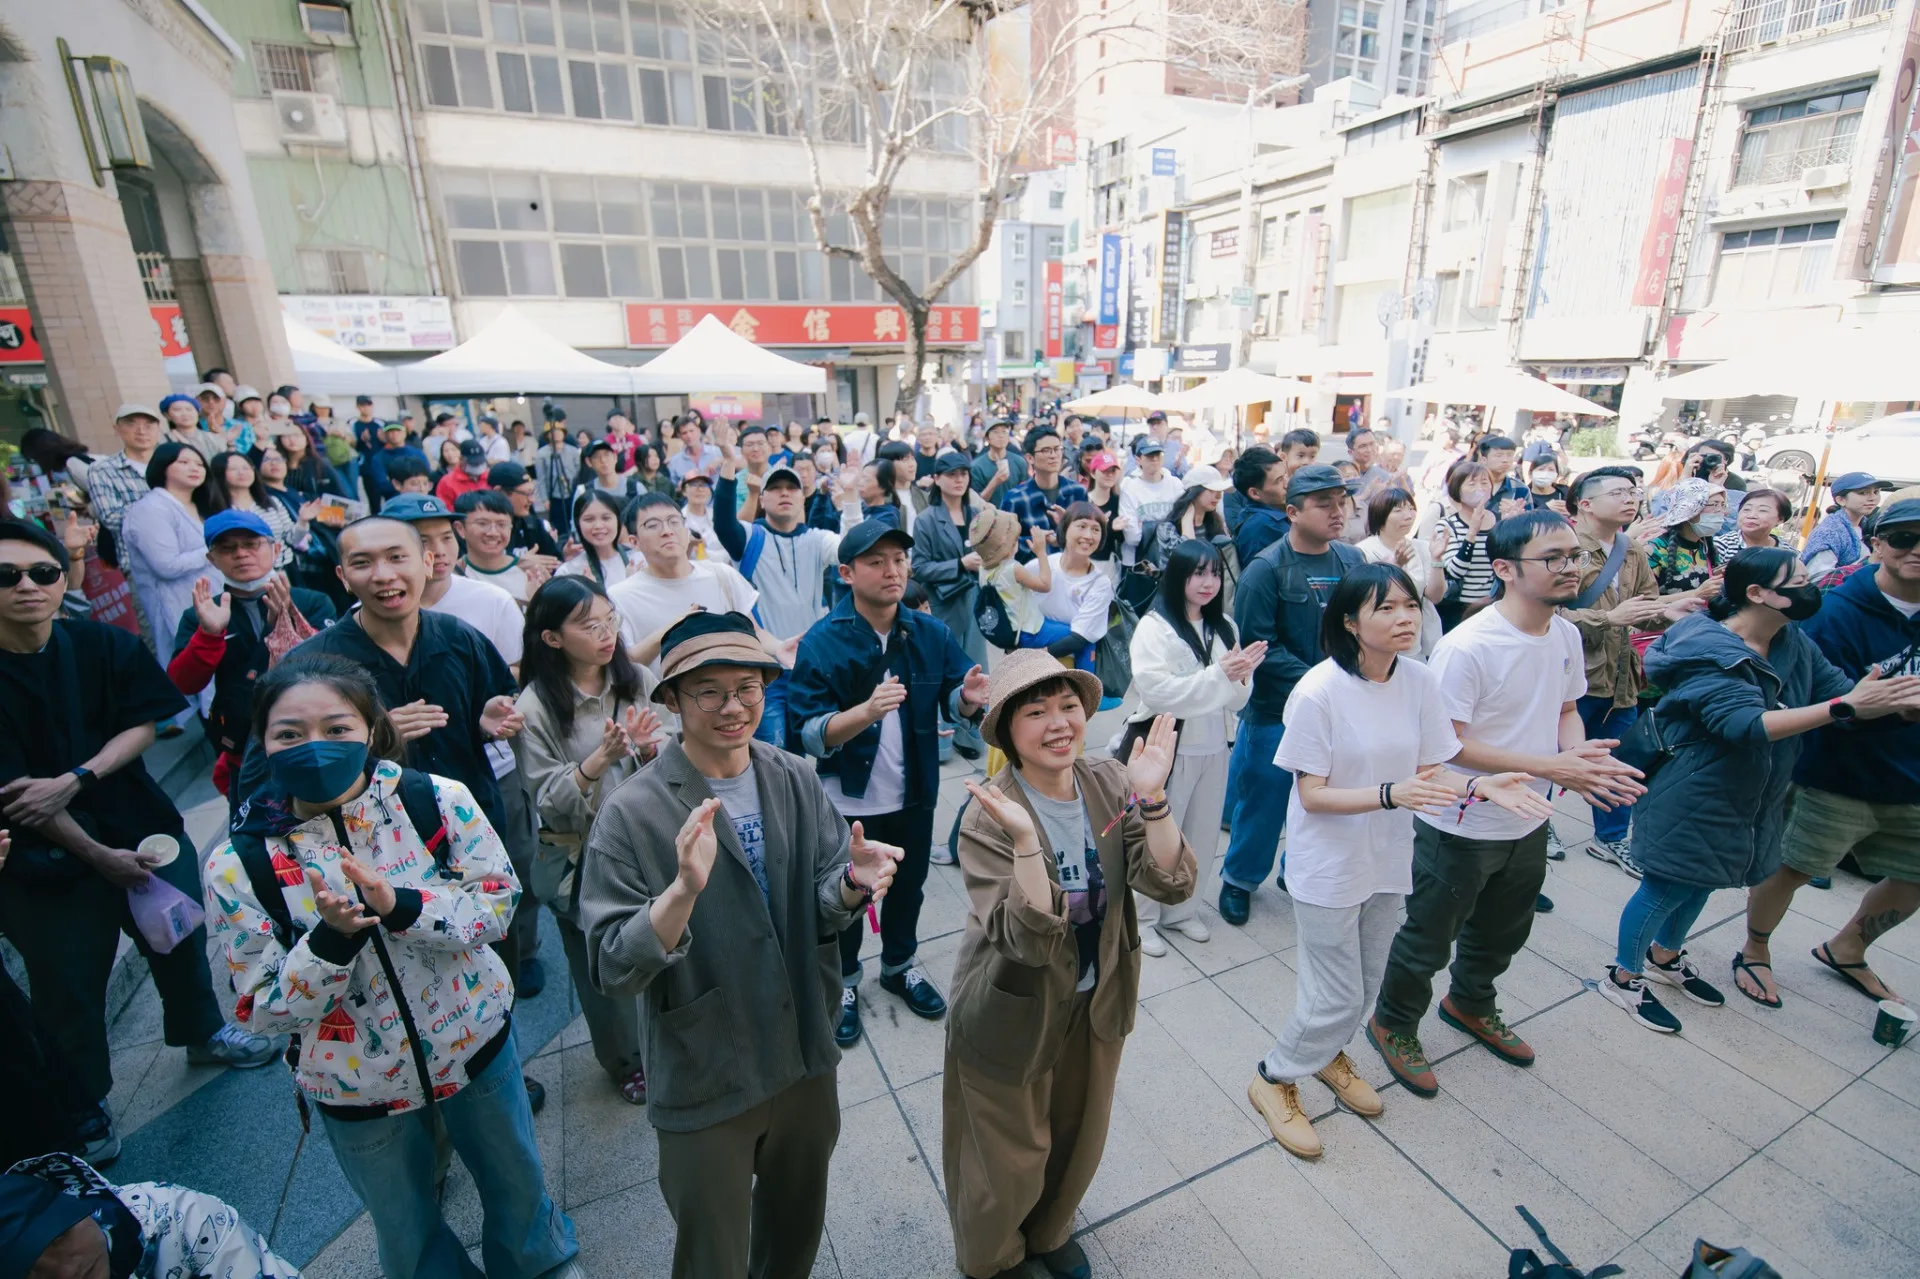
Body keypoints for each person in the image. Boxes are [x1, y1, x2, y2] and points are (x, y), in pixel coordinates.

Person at [204, 656, 581, 1279]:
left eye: (336, 728)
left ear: (373, 729)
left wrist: (402, 905)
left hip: (475, 1042)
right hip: (354, 1084)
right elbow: (260, 1007)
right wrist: (329, 942)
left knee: (517, 1181)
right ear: (262, 742)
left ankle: (539, 1267)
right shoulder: (238, 864)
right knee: (403, 1221)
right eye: (289, 734)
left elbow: (497, 907)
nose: (315, 748)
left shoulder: (433, 800)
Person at [581, 611, 900, 1279]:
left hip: (802, 1050)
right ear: (670, 698)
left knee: (794, 1228)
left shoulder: (790, 776)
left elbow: (820, 900)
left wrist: (849, 885)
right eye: (709, 690)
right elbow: (611, 963)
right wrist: (678, 895)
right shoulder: (631, 811)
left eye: (748, 687)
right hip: (705, 1065)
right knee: (713, 1253)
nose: (733, 706)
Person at [1250, 565, 1551, 1159]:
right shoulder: (1318, 691)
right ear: (1349, 622)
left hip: (1386, 857)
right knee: (1332, 992)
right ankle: (1274, 1075)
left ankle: (1327, 1054)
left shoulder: (1416, 679)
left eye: (1408, 605)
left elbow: (1433, 768)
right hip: (1329, 865)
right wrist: (1393, 793)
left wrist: (1478, 789)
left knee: (1364, 983)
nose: (1404, 617)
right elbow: (1312, 795)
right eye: (1384, 608)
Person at [0, 522, 275, 1164]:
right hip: (42, 859)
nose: (27, 587)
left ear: (61, 578)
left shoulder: (98, 643)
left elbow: (147, 722)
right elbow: (19, 798)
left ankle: (204, 1032)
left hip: (141, 824)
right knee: (67, 980)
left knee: (180, 939)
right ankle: (85, 1100)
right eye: (6, 576)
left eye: (42, 572)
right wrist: (95, 855)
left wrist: (78, 776)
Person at [1368, 512, 1646, 1096]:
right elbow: (1444, 747)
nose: (1571, 567)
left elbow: (1567, 713)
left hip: (1528, 817)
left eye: (1574, 556)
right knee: (1429, 935)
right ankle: (1393, 1022)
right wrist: (1551, 767)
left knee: (1504, 930)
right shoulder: (1470, 646)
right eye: (1553, 558)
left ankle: (1470, 1003)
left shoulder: (1566, 634)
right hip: (1459, 820)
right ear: (1504, 569)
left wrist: (1584, 764)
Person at [943, 654, 1195, 1279]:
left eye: (1067, 707)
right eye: (1035, 712)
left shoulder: (1107, 781)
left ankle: (1050, 1230)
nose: (1058, 724)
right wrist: (1028, 840)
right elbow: (1022, 941)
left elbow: (1169, 881)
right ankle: (995, 1258)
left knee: (1079, 1130)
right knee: (1006, 1152)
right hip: (1012, 1004)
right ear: (1006, 731)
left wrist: (1154, 797)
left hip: (1096, 991)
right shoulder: (987, 813)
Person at [1598, 549, 1920, 1033]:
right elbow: (1745, 724)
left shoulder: (1790, 639)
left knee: (1702, 881)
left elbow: (1835, 688)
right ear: (1757, 593)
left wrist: (1887, 703)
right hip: (1695, 790)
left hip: (1751, 794)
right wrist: (1844, 708)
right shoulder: (1712, 650)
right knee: (1666, 886)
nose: (1813, 591)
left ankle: (1665, 957)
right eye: (1800, 582)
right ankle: (1623, 976)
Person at [787, 519, 990, 1046]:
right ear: (847, 573)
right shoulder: (823, 641)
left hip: (914, 790)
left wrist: (967, 696)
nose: (892, 570)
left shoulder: (929, 632)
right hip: (847, 798)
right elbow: (807, 734)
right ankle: (846, 980)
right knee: (849, 893)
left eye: (899, 559)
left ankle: (899, 965)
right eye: (876, 562)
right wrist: (865, 713)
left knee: (909, 887)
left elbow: (954, 695)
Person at [1736, 499, 1920, 1008]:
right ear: (1877, 544)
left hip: (1912, 774)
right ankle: (1754, 947)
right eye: (1905, 538)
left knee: (1914, 874)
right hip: (1835, 770)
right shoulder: (1835, 611)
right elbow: (1812, 694)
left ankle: (1849, 946)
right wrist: (1883, 706)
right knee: (1794, 865)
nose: (1917, 550)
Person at [514, 576, 661, 1104]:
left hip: (647, 839)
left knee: (665, 940)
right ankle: (623, 1059)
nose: (605, 633)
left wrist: (645, 750)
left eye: (609, 619)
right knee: (602, 967)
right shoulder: (533, 707)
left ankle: (671, 1037)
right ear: (552, 638)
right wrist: (598, 760)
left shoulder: (636, 679)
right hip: (581, 857)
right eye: (587, 624)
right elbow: (546, 799)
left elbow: (672, 761)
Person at [1217, 465, 1367, 926]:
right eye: (1324, 504)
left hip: (1341, 709)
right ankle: (1239, 880)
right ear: (1291, 512)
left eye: (1341, 501)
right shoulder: (1265, 569)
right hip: (1274, 713)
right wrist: (1324, 683)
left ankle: (1295, 871)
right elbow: (1259, 647)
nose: (1337, 512)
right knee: (1262, 802)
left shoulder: (1352, 561)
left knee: (1320, 804)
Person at [1126, 539, 1262, 956]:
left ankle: (1182, 911)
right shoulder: (1155, 626)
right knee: (1156, 833)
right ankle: (1142, 918)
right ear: (1178, 576)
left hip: (1213, 746)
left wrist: (1239, 677)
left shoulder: (1225, 625)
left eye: (1215, 573)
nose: (1208, 582)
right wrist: (1219, 676)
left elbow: (1238, 697)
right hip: (1167, 746)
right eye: (1198, 573)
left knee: (1201, 834)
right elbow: (1157, 689)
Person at [1557, 467, 1681, 872]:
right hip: (1571, 676)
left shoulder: (1632, 550)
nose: (1631, 499)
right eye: (1619, 493)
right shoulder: (1564, 547)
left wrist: (1669, 613)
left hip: (1622, 679)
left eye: (1633, 492)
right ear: (1586, 503)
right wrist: (1610, 619)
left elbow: (1645, 608)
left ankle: (1609, 837)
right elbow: (1549, 615)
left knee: (1618, 762)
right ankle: (1537, 824)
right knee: (1548, 754)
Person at [166, 511, 335, 801]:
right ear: (212, 559)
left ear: (276, 549)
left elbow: (334, 667)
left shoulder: (311, 602)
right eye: (227, 548)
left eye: (251, 544)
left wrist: (284, 627)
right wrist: (209, 635)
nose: (241, 554)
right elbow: (183, 684)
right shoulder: (202, 614)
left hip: (315, 736)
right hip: (241, 745)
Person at [711, 434, 861, 748]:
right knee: (774, 754)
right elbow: (724, 524)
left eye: (791, 488)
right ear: (761, 499)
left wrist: (850, 494)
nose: (784, 494)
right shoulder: (750, 538)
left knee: (815, 750)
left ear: (801, 496)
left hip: (813, 666)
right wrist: (728, 462)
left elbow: (852, 548)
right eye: (775, 489)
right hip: (765, 670)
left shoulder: (818, 539)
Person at [0, 1151, 302, 1279]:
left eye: (58, 1237)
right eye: (34, 1273)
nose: (67, 1271)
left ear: (73, 1203)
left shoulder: (176, 1215)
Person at [610, 493, 769, 664]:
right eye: (653, 525)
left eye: (674, 522)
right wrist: (672, 630)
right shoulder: (620, 597)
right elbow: (625, 665)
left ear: (686, 529)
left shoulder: (721, 574)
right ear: (634, 542)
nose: (667, 531)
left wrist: (780, 647)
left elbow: (756, 633)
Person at [909, 453, 987, 758]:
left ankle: (971, 738)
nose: (959, 479)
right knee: (940, 672)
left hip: (976, 601)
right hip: (943, 603)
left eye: (963, 473)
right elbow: (920, 567)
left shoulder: (977, 513)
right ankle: (941, 742)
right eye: (952, 474)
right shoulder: (927, 519)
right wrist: (959, 564)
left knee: (976, 670)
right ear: (937, 479)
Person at [119, 443, 218, 660]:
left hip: (211, 600)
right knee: (192, 668)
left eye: (200, 464)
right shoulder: (150, 508)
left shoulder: (200, 505)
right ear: (162, 467)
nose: (194, 468)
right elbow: (167, 565)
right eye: (184, 462)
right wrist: (216, 550)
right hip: (176, 605)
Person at [1356, 486, 1447, 657]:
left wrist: (1437, 559)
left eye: (1412, 509)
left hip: (1417, 640)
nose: (1409, 515)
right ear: (1380, 515)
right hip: (1381, 639)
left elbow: (1435, 596)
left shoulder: (1421, 548)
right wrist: (1395, 567)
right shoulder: (1363, 551)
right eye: (1398, 510)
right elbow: (1367, 598)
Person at [1027, 502, 1115, 673]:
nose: (1088, 535)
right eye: (1081, 526)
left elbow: (1080, 638)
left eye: (1096, 529)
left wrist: (1035, 658)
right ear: (1065, 529)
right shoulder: (1041, 565)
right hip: (1029, 654)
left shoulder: (1100, 583)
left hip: (1069, 667)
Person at [78, 406, 164, 573]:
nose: (141, 431)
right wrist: (164, 507)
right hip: (142, 566)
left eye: (148, 425)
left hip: (191, 558)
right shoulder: (103, 470)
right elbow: (111, 518)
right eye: (131, 424)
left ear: (158, 429)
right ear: (116, 429)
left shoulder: (176, 461)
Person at [999, 426, 1087, 554]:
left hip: (1071, 570)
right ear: (1030, 458)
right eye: (1046, 450)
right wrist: (1039, 541)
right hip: (1029, 572)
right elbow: (1003, 544)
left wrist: (1067, 528)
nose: (1054, 456)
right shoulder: (1014, 499)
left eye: (1057, 449)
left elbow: (1087, 539)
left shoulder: (1077, 492)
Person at [1437, 461, 1497, 631]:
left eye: (1485, 483)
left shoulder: (1499, 521)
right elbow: (1455, 571)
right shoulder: (1447, 525)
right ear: (1457, 489)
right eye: (1472, 483)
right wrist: (1472, 534)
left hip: (1493, 606)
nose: (1480, 488)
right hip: (1459, 609)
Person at [454, 490, 543, 605]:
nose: (493, 533)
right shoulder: (452, 576)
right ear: (460, 528)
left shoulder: (532, 572)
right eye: (482, 523)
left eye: (501, 524)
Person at [1646, 478, 1727, 598]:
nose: (1722, 512)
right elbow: (1644, 603)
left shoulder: (1707, 547)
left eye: (1723, 505)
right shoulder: (1654, 550)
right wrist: (1696, 594)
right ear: (1690, 508)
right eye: (1714, 505)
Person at [1801, 471, 1890, 576]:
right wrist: (1869, 562)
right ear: (1841, 500)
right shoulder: (1829, 532)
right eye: (1863, 493)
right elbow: (1818, 578)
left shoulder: (1865, 526)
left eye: (1876, 492)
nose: (1872, 498)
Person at [1117, 438, 1185, 569]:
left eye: (1158, 455)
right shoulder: (1130, 487)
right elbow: (1132, 538)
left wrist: (1146, 526)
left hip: (1169, 558)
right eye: (1149, 456)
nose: (1154, 459)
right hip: (1138, 561)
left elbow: (1182, 524)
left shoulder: (1175, 484)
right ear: (1138, 460)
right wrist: (1165, 525)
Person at [557, 489, 637, 588]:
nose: (598, 526)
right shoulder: (569, 572)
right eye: (589, 519)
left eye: (606, 518)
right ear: (578, 524)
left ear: (618, 520)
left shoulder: (638, 558)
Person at [488, 462, 563, 563]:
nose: (532, 500)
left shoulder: (532, 525)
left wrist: (564, 556)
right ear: (499, 492)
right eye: (526, 494)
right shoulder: (482, 531)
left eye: (532, 493)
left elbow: (554, 561)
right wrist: (516, 564)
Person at [1228, 445, 1290, 565]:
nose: (1287, 484)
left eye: (1285, 475)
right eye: (1279, 480)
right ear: (1255, 493)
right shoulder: (1265, 525)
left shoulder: (1253, 515)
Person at [1715, 486, 1793, 559]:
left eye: (1763, 510)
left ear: (1780, 519)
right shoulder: (1720, 546)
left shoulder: (1789, 553)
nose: (1751, 515)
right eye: (1746, 509)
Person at [366, 421, 429, 507]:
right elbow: (382, 484)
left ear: (405, 433)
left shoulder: (418, 453)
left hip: (423, 498)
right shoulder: (378, 458)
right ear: (385, 435)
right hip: (396, 502)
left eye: (398, 431)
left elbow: (428, 475)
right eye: (391, 431)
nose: (394, 434)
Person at [535, 420, 582, 535]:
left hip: (572, 491)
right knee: (558, 525)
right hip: (554, 494)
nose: (556, 434)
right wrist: (545, 499)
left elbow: (579, 473)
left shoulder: (573, 451)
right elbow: (541, 478)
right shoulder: (542, 453)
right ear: (547, 435)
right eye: (552, 432)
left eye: (558, 431)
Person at [678, 471, 732, 566]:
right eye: (694, 484)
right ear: (684, 491)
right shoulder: (678, 520)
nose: (700, 489)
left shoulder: (719, 516)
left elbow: (730, 550)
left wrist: (708, 554)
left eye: (704, 485)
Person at [970, 417, 1027, 504]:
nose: (1001, 435)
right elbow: (976, 504)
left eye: (1004, 432)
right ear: (987, 438)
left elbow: (1025, 494)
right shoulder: (976, 467)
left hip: (1014, 515)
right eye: (996, 432)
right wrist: (995, 481)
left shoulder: (1020, 462)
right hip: (989, 515)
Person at [1475, 435, 1528, 517]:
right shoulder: (1470, 484)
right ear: (1484, 460)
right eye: (1498, 455)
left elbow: (1529, 522)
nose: (1505, 460)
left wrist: (1517, 514)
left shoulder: (1520, 488)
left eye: (1510, 455)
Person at [435, 439, 492, 510]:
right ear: (461, 460)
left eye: (480, 462)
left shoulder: (491, 477)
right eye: (473, 463)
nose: (478, 466)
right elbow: (444, 509)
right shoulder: (447, 482)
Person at [667, 415, 723, 485]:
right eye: (684, 433)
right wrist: (686, 480)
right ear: (679, 436)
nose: (689, 436)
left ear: (699, 431)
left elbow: (738, 462)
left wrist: (720, 461)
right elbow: (674, 490)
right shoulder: (675, 461)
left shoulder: (716, 451)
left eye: (691, 431)